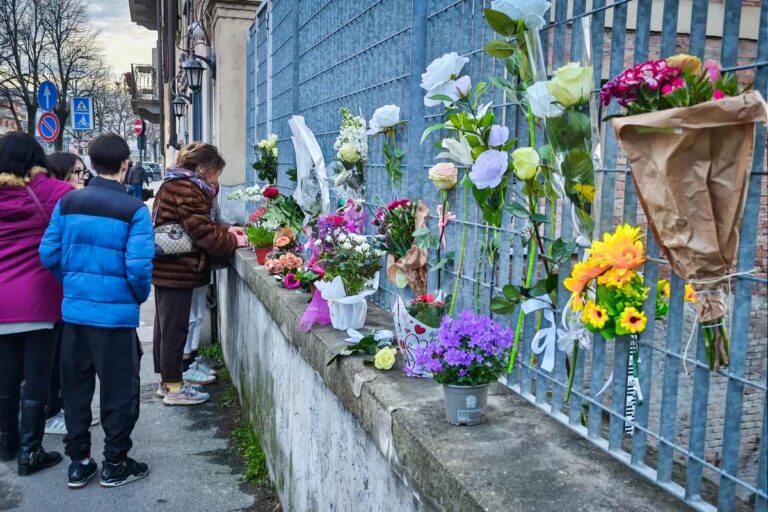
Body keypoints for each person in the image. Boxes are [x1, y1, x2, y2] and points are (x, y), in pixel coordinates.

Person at [40, 133, 154, 489]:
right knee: (119, 392)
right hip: (114, 320)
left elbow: (49, 255)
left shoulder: (68, 204)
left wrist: (73, 283)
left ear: (89, 165)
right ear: (125, 166)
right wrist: (135, 296)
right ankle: (115, 463)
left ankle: (79, 462)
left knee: (75, 390)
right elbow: (138, 269)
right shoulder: (135, 210)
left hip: (75, 315)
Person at [152, 142, 247, 405]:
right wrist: (232, 242)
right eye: (216, 171)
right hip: (178, 267)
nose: (217, 178)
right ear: (205, 168)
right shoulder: (187, 188)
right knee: (174, 329)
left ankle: (167, 382)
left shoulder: (176, 182)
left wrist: (227, 230)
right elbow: (202, 231)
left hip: (169, 267)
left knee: (166, 328)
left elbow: (203, 224)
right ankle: (174, 388)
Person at [0, 131, 71, 476]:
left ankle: (6, 444)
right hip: (39, 298)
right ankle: (31, 453)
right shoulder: (51, 192)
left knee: (6, 377)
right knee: (39, 378)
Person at [43, 152, 100, 436]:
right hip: (55, 291)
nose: (83, 178)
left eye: (84, 172)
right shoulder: (63, 203)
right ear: (62, 175)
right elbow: (49, 252)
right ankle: (57, 412)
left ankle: (67, 412)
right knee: (58, 358)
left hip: (64, 290)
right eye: (77, 173)